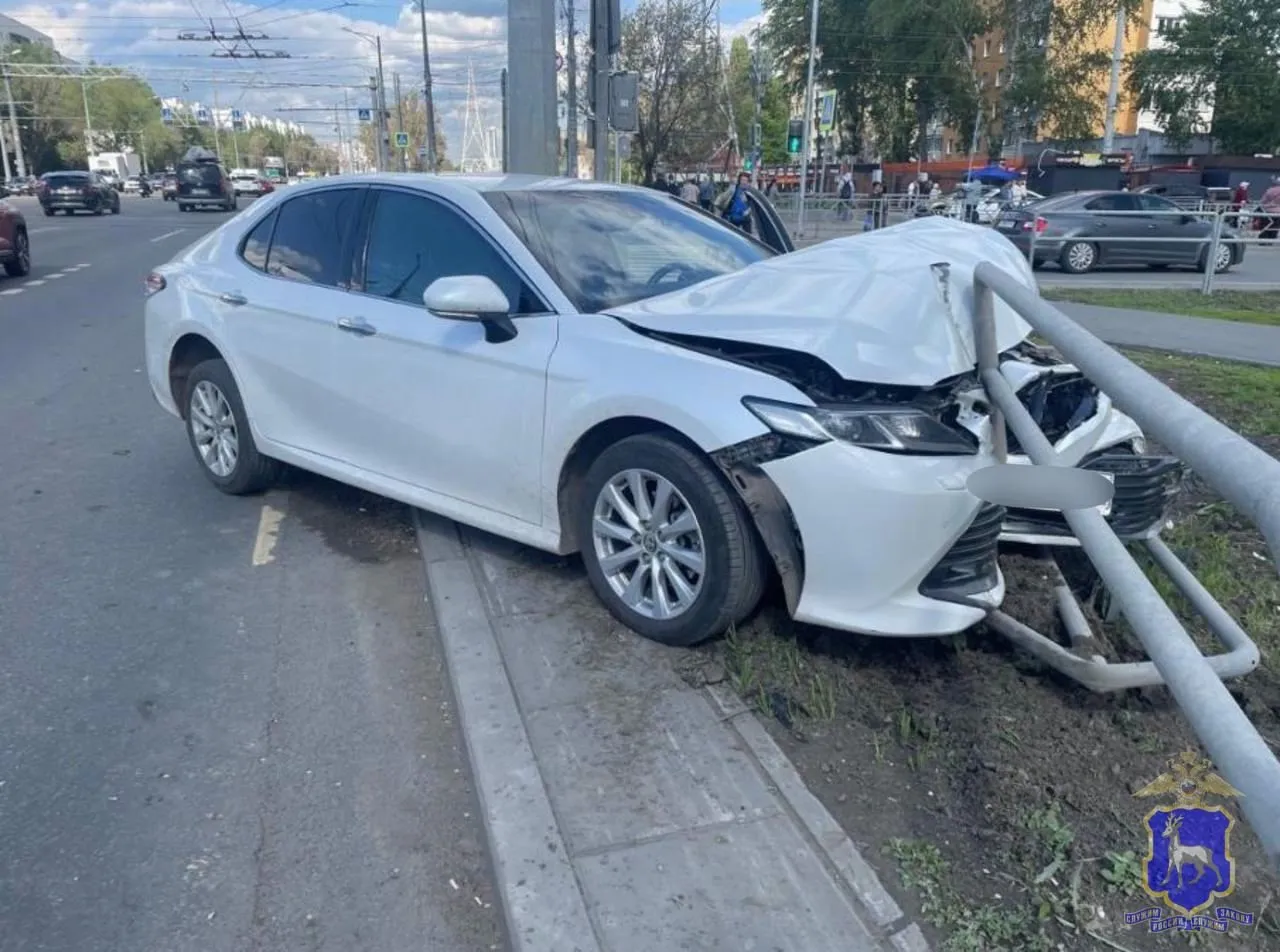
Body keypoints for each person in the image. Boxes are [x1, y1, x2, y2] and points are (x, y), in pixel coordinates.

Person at [1259, 177, 1280, 242]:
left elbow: (1263, 201)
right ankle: (1272, 240)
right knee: (1275, 226)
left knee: (1265, 225)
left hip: (1267, 211)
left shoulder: (1270, 190)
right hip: (1278, 212)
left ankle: (1263, 240)